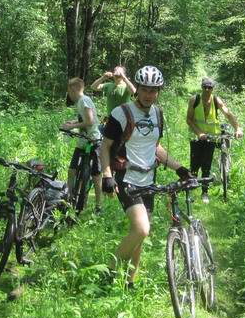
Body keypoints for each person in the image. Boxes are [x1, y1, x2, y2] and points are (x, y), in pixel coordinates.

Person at [99, 65, 189, 289]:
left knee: (139, 235)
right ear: (137, 88)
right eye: (145, 89)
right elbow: (105, 147)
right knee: (141, 229)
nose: (149, 95)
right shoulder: (121, 113)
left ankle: (130, 281)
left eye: (154, 90)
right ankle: (108, 271)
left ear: (158, 91)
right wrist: (107, 176)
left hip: (149, 180)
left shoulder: (158, 114)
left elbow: (155, 148)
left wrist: (178, 167)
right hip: (126, 178)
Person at [186, 77, 243, 204]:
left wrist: (237, 128)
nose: (207, 89)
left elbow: (228, 114)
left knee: (206, 165)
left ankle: (205, 192)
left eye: (210, 87)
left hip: (212, 137)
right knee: (194, 165)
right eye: (205, 87)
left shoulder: (216, 100)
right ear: (202, 87)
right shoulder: (194, 100)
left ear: (213, 88)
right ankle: (190, 192)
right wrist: (199, 133)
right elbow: (189, 119)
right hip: (196, 137)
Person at [60, 77, 104, 213]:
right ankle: (68, 198)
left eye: (68, 90)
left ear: (72, 89)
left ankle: (99, 205)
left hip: (93, 140)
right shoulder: (80, 102)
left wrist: (71, 127)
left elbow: (90, 122)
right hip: (83, 140)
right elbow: (84, 119)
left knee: (96, 174)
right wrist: (72, 123)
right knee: (72, 170)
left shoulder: (84, 100)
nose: (68, 93)